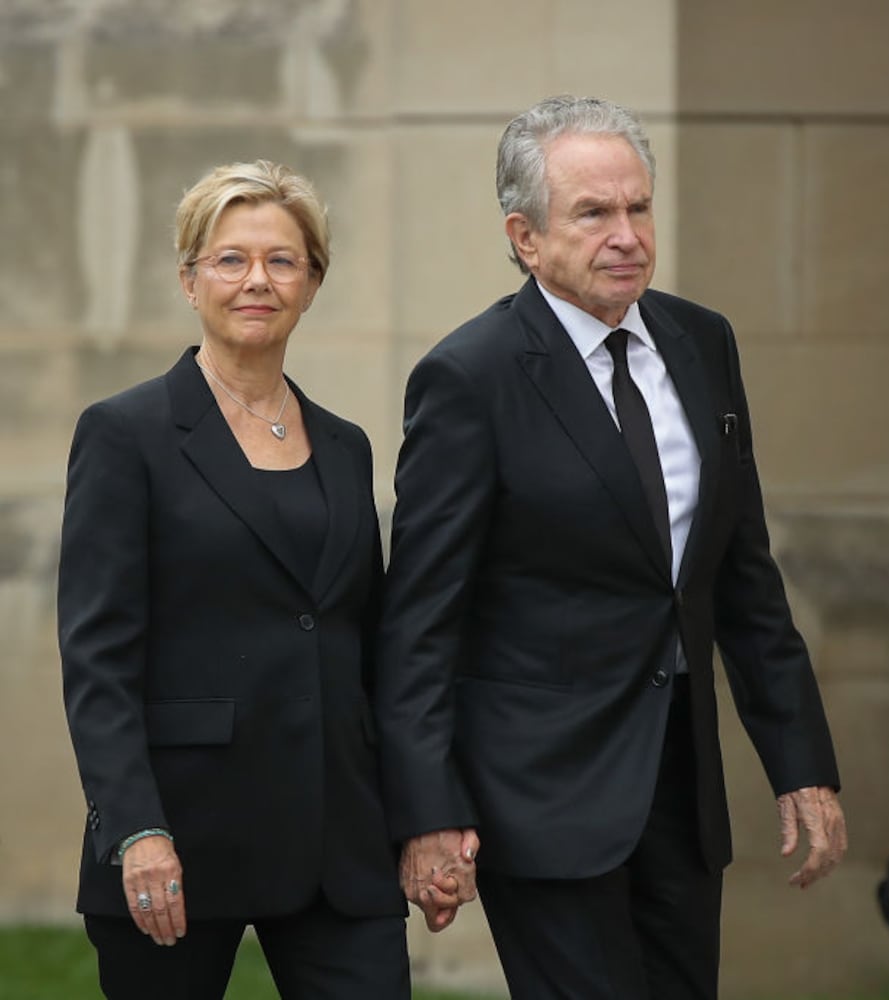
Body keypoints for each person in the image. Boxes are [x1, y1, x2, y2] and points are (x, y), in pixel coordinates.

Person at [374, 94, 848, 1000]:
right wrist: (428, 813)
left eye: (637, 207)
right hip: (540, 795)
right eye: (593, 213)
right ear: (525, 237)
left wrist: (802, 767)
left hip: (680, 791)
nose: (625, 234)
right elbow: (420, 621)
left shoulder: (702, 342)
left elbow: (741, 576)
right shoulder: (469, 378)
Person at [58, 160, 412, 999]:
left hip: (338, 840)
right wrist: (135, 827)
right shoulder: (124, 434)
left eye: (283, 260)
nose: (257, 279)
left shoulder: (346, 445)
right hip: (178, 836)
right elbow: (97, 658)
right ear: (189, 280)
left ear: (313, 282)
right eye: (229, 259)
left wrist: (420, 814)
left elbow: (369, 640)